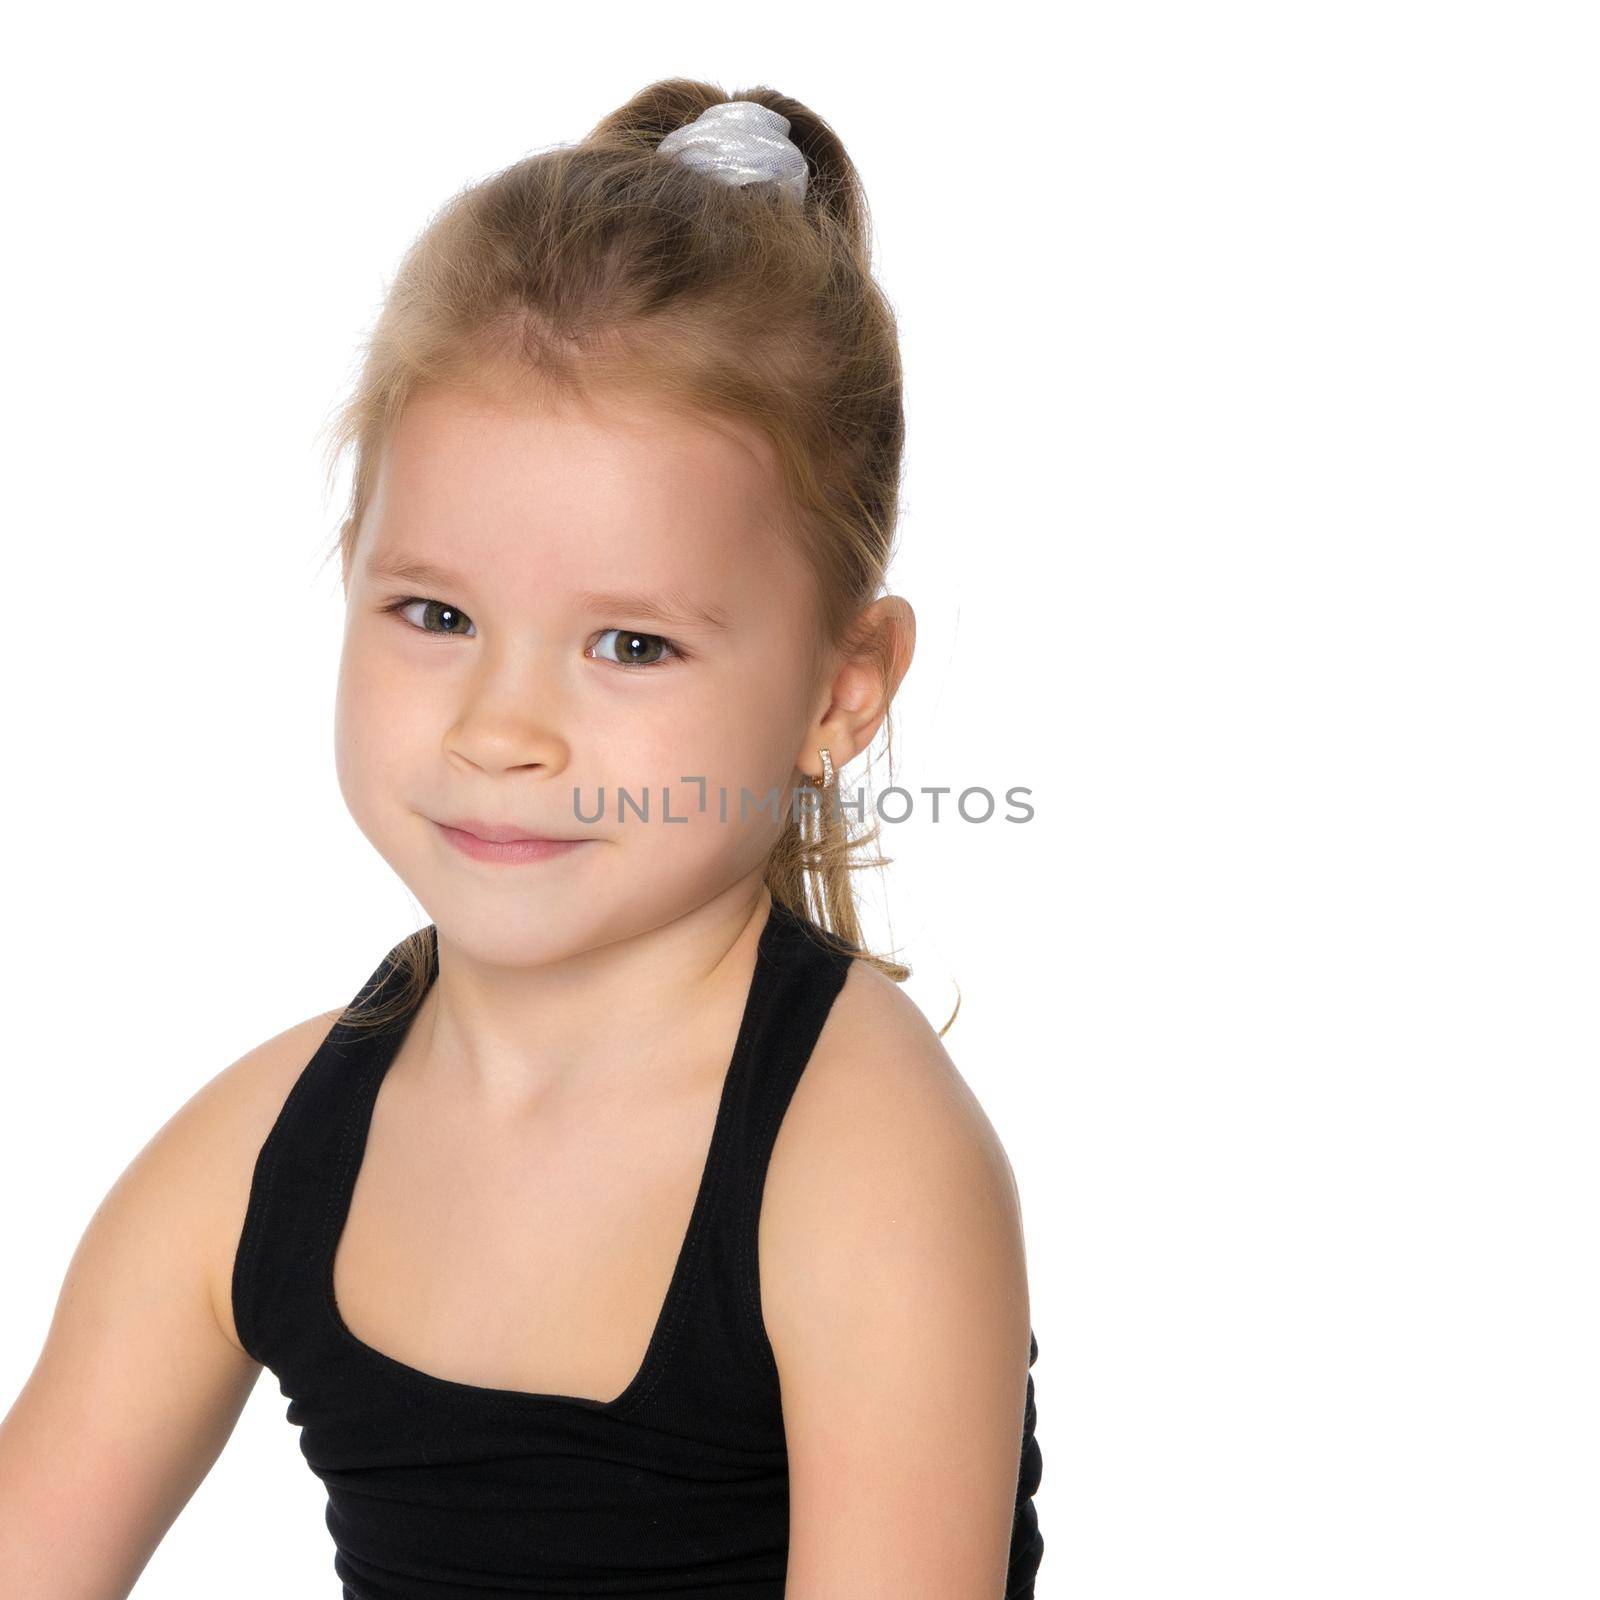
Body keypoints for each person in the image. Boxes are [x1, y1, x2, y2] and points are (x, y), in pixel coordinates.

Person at [0, 79, 1043, 1599]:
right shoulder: (260, 1152)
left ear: (841, 689)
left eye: (628, 646)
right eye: (435, 614)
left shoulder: (866, 1162)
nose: (503, 728)